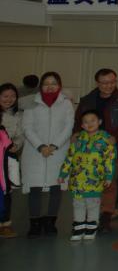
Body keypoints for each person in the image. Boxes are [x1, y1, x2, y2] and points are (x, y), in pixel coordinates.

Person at [75, 68, 118, 233]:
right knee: (90, 183)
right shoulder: (87, 100)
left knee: (109, 183)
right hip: (88, 149)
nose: (109, 86)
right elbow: (78, 121)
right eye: (104, 82)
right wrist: (76, 134)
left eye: (112, 82)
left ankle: (106, 217)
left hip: (112, 148)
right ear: (97, 83)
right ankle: (89, 217)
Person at [22, 71, 74, 238]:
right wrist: (41, 146)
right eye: (46, 84)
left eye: (54, 83)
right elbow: (27, 127)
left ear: (59, 86)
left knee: (56, 187)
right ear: (41, 86)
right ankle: (35, 223)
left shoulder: (66, 103)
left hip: (58, 151)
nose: (50, 87)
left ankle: (50, 222)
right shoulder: (32, 103)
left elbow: (68, 126)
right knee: (34, 187)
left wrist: (53, 146)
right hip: (34, 151)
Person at [58, 110, 115, 241]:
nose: (89, 124)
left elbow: (110, 160)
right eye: (86, 122)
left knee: (93, 205)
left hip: (95, 180)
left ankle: (91, 227)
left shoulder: (105, 140)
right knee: (78, 205)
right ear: (82, 125)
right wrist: (63, 173)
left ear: (99, 122)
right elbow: (69, 157)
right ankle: (78, 228)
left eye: (93, 121)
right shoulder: (78, 140)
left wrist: (108, 177)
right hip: (77, 181)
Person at [0, 83, 25, 238]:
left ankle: (5, 223)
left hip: (8, 158)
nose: (9, 99)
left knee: (6, 190)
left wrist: (16, 145)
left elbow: (21, 135)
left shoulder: (19, 115)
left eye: (12, 96)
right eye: (5, 96)